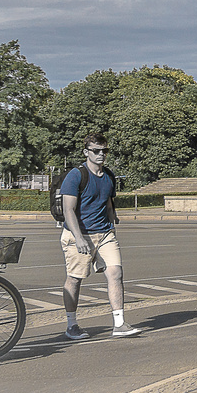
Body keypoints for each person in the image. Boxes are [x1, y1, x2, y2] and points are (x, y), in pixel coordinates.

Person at [59, 137, 142, 340]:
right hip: (78, 234)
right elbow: (68, 209)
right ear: (86, 152)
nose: (101, 154)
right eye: (96, 150)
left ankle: (119, 323)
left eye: (104, 150)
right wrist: (78, 238)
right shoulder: (76, 175)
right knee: (75, 279)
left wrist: (112, 219)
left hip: (105, 234)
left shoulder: (109, 176)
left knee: (116, 273)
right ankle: (72, 325)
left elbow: (107, 201)